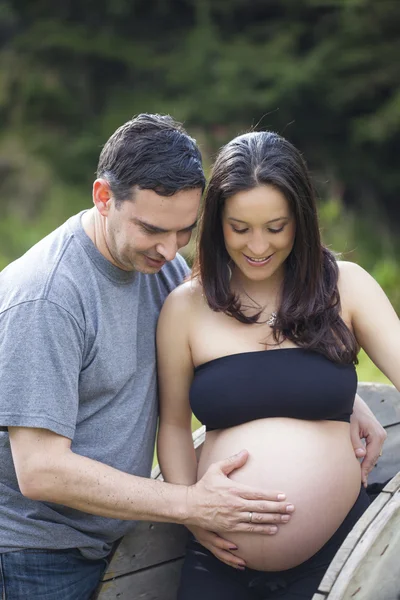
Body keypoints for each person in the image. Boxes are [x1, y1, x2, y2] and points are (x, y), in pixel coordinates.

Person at [0, 115, 384, 600]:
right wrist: (190, 505)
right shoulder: (48, 297)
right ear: (103, 197)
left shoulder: (159, 269)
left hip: (118, 540)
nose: (169, 249)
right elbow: (39, 469)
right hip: (38, 556)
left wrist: (337, 392)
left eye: (185, 231)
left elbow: (246, 361)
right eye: (153, 230)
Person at [156, 130, 394, 599]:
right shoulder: (185, 308)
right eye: (239, 228)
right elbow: (174, 426)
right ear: (216, 221)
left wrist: (349, 402)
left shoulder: (346, 287)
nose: (258, 246)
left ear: (301, 220)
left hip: (337, 558)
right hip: (217, 559)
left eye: (276, 226)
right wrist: (191, 511)